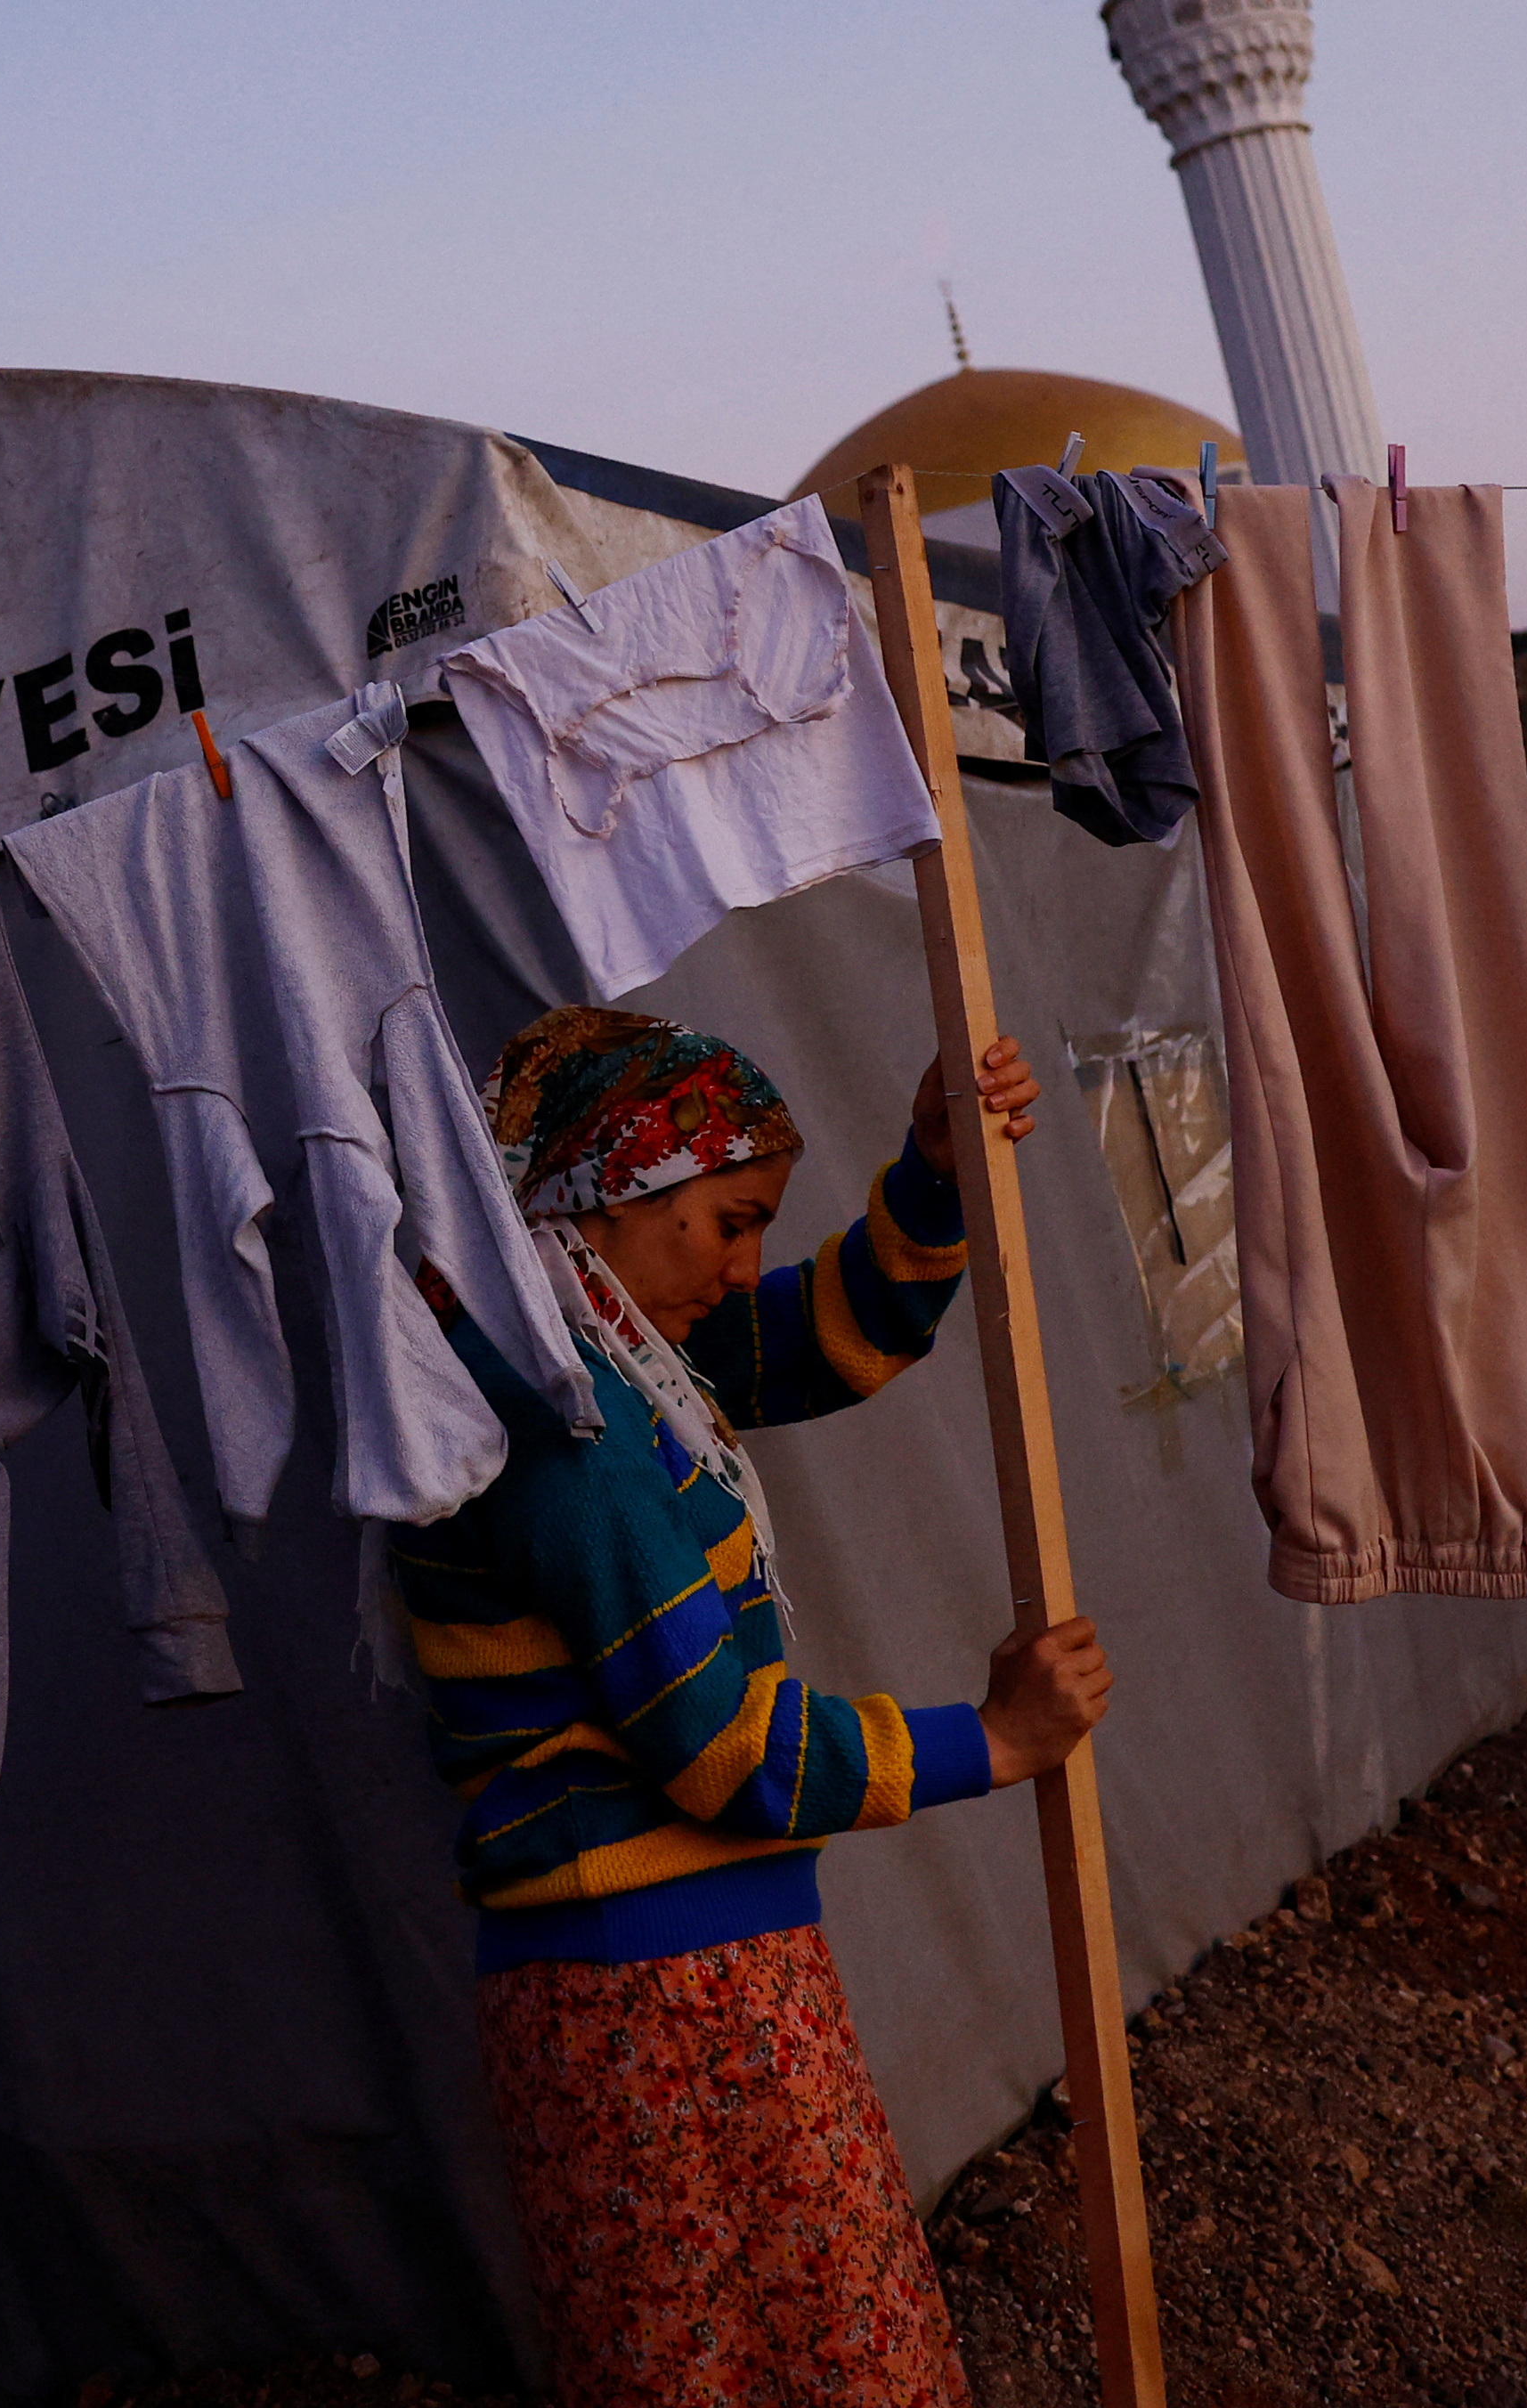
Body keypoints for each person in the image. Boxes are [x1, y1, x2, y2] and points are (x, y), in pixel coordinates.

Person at [395, 1006, 1110, 2408]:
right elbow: (733, 1754)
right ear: (606, 1189)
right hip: (662, 2006)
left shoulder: (594, 1362)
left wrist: (935, 1172)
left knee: (743, 2359)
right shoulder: (572, 1437)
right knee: (808, 2363)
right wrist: (997, 1742)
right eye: (729, 1221)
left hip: (656, 1985)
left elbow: (831, 1340)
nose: (744, 1269)